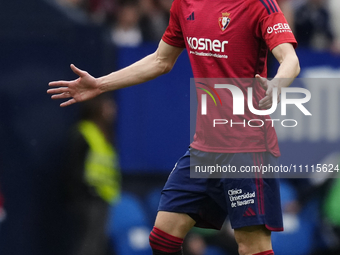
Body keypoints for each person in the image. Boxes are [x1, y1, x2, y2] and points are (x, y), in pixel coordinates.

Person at [48, 0, 300, 254]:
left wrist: (277, 84)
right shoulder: (184, 5)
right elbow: (160, 60)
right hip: (205, 148)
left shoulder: (259, 5)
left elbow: (290, 60)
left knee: (251, 247)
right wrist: (100, 84)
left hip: (247, 147)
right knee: (162, 237)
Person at [62, 94, 121, 255]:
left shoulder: (106, 135)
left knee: (97, 244)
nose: (113, 110)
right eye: (108, 107)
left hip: (104, 199)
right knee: (87, 245)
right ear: (98, 109)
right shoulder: (83, 133)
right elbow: (73, 169)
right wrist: (80, 196)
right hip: (87, 201)